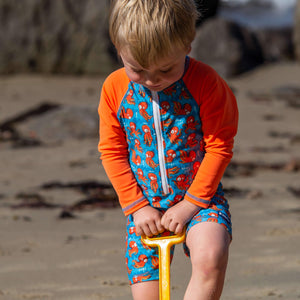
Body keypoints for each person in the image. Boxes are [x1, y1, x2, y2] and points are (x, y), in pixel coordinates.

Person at [98, 0, 238, 299]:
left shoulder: (207, 84)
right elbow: (112, 151)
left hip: (201, 200)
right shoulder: (114, 88)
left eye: (165, 69)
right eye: (137, 69)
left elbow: (219, 147)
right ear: (117, 47)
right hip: (143, 207)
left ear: (188, 44)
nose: (152, 80)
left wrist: (190, 205)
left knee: (211, 256)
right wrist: (136, 206)